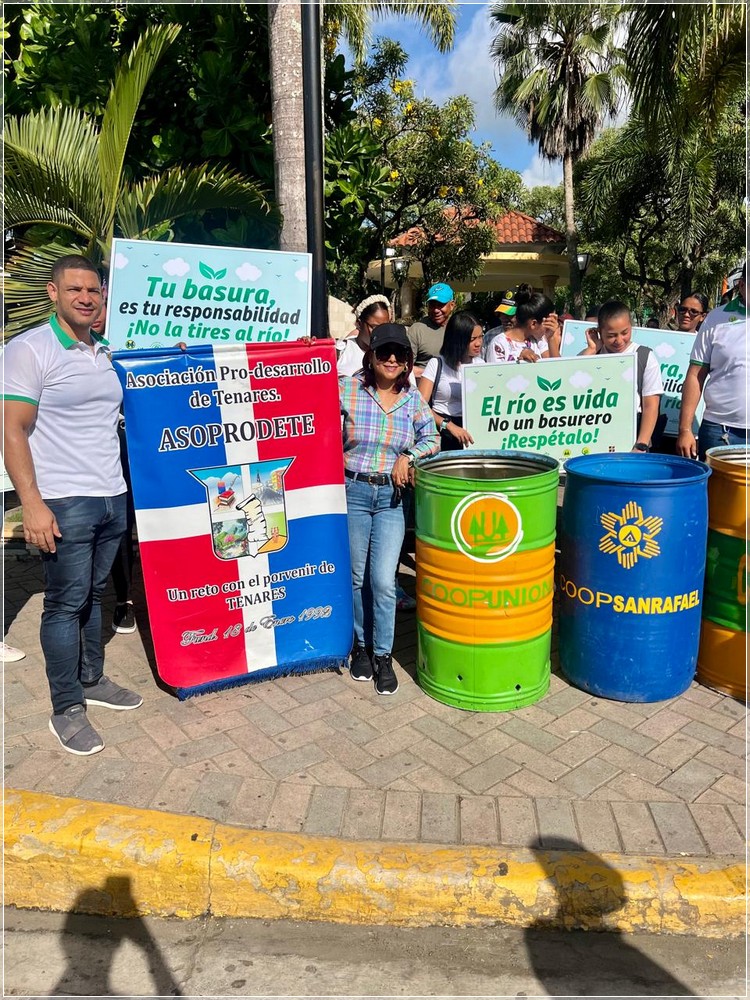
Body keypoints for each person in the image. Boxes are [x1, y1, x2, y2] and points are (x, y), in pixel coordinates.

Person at [2, 254, 142, 757]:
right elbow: (11, 429)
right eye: (74, 289)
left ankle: (91, 679)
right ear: (53, 292)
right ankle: (65, 708)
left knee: (94, 593)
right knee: (64, 603)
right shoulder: (30, 349)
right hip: (63, 501)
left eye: (93, 290)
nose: (85, 298)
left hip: (111, 496)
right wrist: (32, 504)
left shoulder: (104, 351)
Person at [340, 324, 439, 694]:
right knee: (356, 577)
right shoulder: (347, 388)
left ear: (408, 360)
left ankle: (383, 654)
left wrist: (408, 455)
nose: (392, 359)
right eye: (385, 352)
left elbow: (431, 437)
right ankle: (360, 647)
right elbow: (308, 407)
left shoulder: (412, 399)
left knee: (383, 581)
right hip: (352, 492)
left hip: (391, 498)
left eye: (400, 353)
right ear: (372, 355)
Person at [677, 264, 747, 459]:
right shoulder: (716, 318)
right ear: (742, 286)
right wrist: (685, 429)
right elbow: (695, 375)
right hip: (721, 432)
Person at [579, 299, 664, 452]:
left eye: (625, 333)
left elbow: (651, 405)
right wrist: (592, 349)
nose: (619, 341)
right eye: (611, 335)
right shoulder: (591, 355)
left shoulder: (645, 356)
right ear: (599, 332)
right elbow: (572, 382)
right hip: (593, 434)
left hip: (632, 437)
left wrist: (641, 444)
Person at [419, 311, 484, 451]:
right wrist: (448, 425)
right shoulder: (436, 364)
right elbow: (420, 406)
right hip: (442, 433)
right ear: (457, 340)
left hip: (470, 433)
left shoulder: (481, 365)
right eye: (473, 339)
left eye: (481, 337)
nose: (478, 343)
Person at [485, 286, 562, 364]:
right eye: (547, 324)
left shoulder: (538, 339)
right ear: (533, 323)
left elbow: (556, 367)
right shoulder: (499, 343)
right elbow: (495, 371)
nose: (503, 318)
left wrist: (551, 338)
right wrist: (522, 363)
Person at [336, 294, 392, 377]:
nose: (381, 333)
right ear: (359, 324)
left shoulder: (394, 354)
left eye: (385, 327)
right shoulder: (341, 351)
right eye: (375, 327)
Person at [407, 282, 455, 377]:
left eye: (440, 305)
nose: (436, 310)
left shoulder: (458, 328)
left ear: (452, 305)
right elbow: (405, 367)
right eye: (432, 305)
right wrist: (434, 375)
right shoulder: (417, 330)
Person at [482, 288, 520, 357]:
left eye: (510, 314)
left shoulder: (531, 337)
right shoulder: (489, 336)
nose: (504, 318)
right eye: (502, 313)